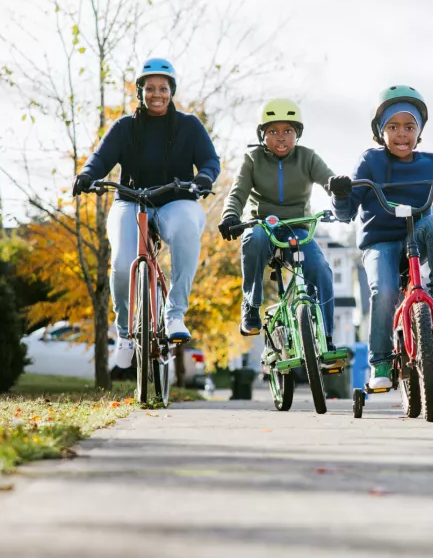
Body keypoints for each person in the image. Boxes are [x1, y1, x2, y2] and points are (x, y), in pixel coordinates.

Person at [329, 85, 433, 391]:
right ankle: (381, 362)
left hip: (417, 236)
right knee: (384, 292)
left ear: (420, 131)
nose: (402, 134)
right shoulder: (369, 162)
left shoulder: (431, 162)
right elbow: (345, 214)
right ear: (380, 131)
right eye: (394, 127)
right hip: (380, 241)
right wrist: (341, 194)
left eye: (410, 127)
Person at [73, 57, 220, 369]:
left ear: (172, 91)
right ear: (139, 92)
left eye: (163, 88)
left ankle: (175, 313)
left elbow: (210, 160)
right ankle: (125, 334)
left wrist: (205, 177)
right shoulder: (125, 127)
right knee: (124, 262)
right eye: (149, 88)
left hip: (176, 199)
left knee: (185, 231)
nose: (157, 93)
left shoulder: (189, 126)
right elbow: (100, 158)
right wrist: (87, 175)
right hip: (131, 200)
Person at [218, 98, 338, 352]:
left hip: (298, 228)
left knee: (320, 268)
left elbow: (329, 179)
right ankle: (251, 306)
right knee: (255, 238)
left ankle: (326, 335)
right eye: (273, 131)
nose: (281, 138)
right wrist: (230, 216)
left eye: (288, 131)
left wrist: (338, 185)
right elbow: (237, 194)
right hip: (264, 225)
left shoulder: (308, 158)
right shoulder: (252, 159)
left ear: (297, 134)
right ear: (262, 134)